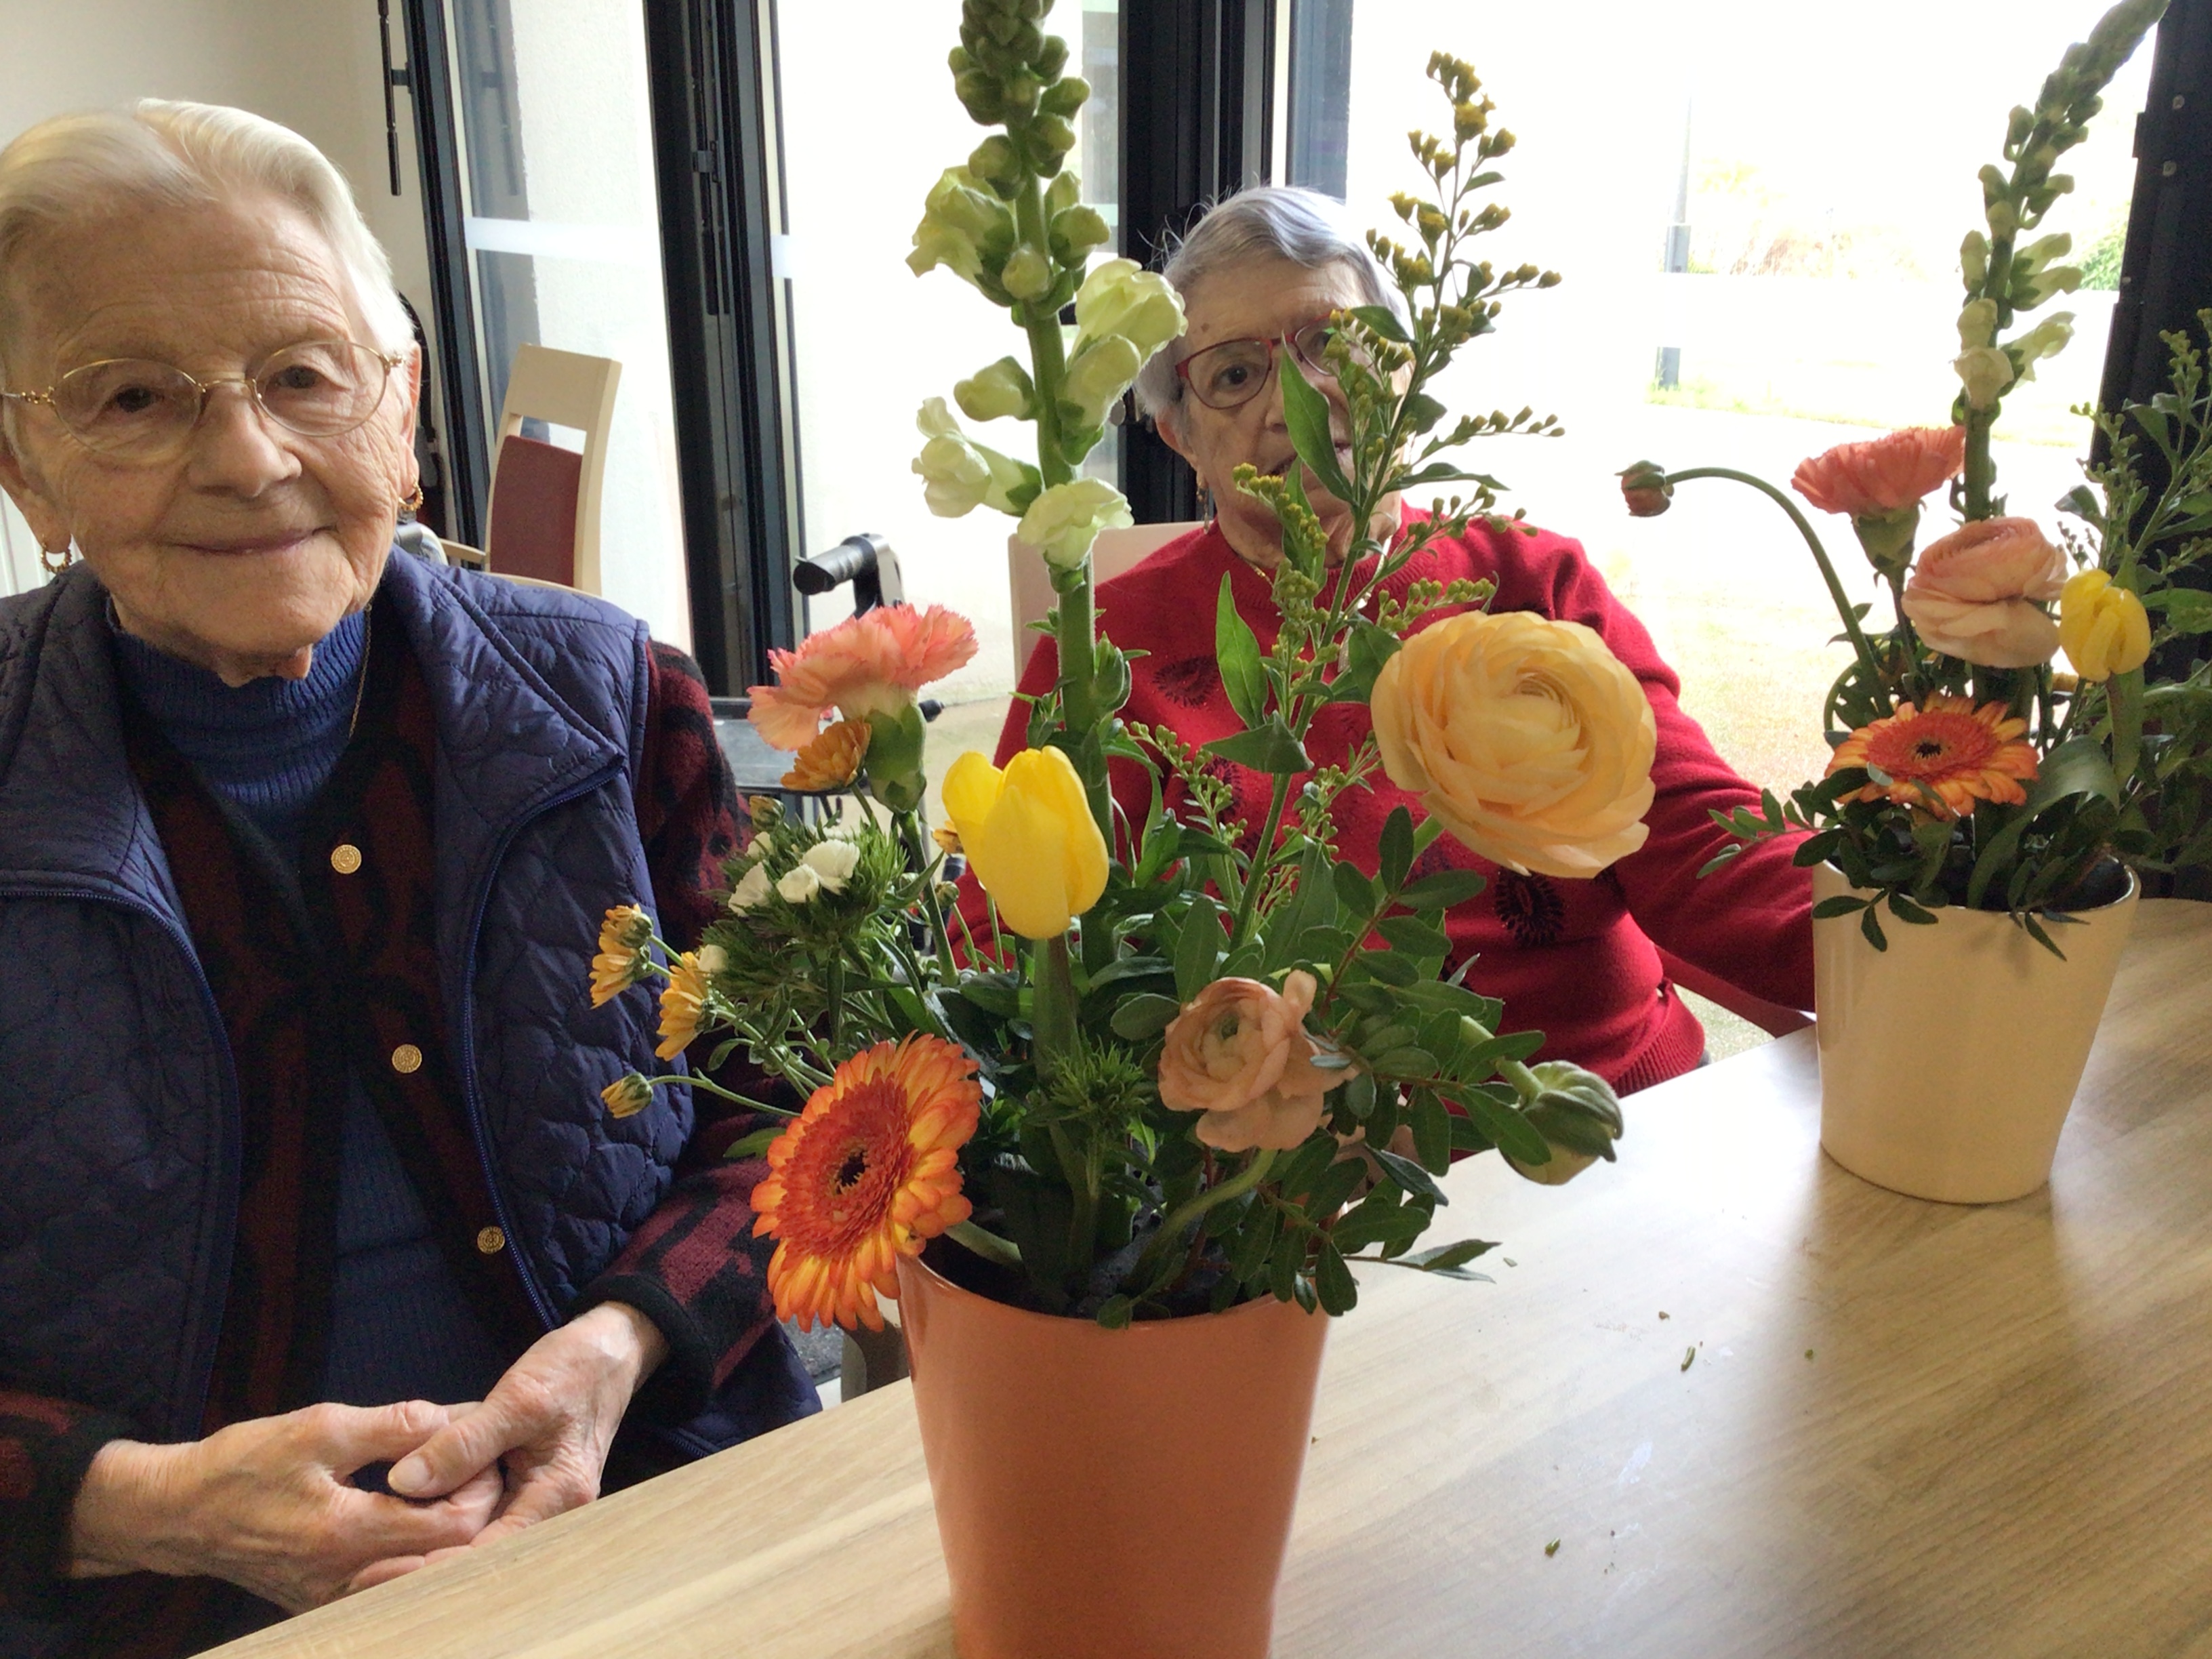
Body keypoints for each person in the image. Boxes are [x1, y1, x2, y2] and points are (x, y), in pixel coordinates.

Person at [0, 102, 809, 1656]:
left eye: (305, 376)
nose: (250, 459)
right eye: (134, 397)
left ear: (406, 413)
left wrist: (623, 1348)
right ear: (28, 470)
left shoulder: (618, 705)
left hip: (658, 1528)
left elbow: (802, 1115)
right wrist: (141, 1504)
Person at [991, 186, 1813, 1092]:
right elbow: (1007, 949)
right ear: (1180, 437)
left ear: (1399, 370)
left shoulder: (1530, 582)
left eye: (1332, 344)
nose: (1298, 398)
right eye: (1235, 375)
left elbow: (1707, 844)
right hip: (1297, 1154)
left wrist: (1912, 915)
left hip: (1616, 1104)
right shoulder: (1103, 652)